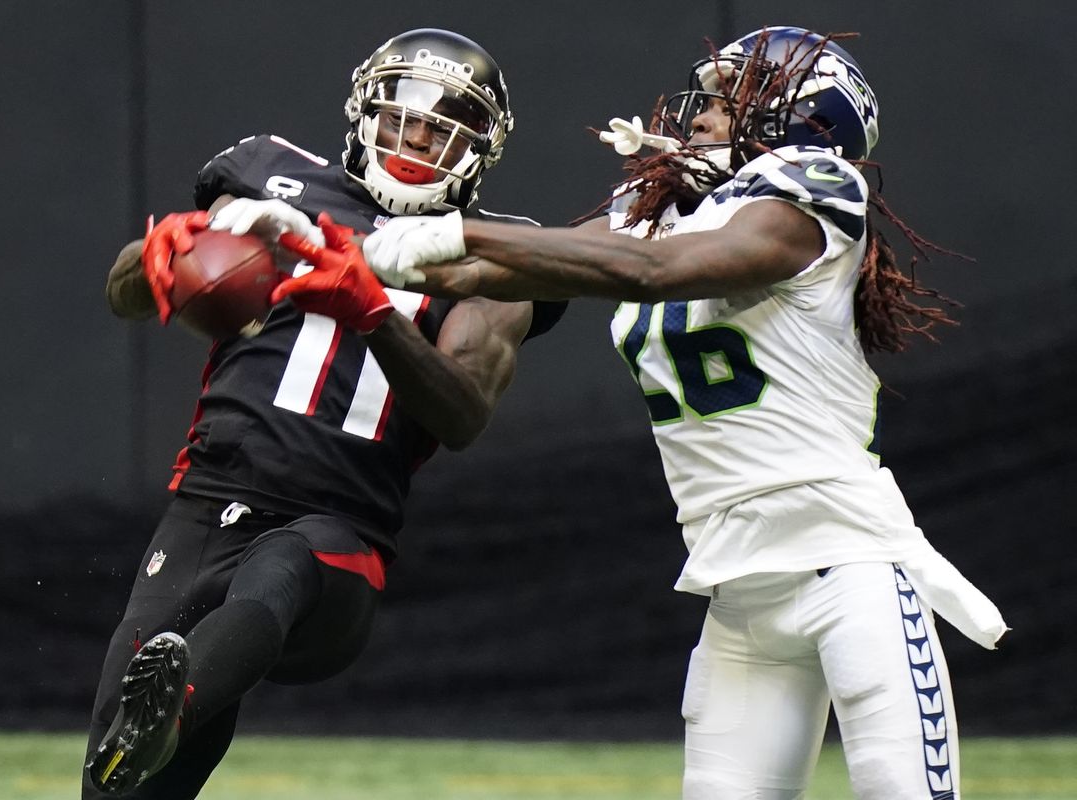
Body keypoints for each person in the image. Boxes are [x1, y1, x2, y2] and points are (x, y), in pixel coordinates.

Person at [328, 25, 1008, 799]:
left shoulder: (812, 190)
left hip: (850, 572)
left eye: (727, 100)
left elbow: (653, 272)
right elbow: (518, 265)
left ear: (798, 119)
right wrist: (333, 248)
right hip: (739, 592)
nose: (700, 112)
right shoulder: (668, 206)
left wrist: (454, 231)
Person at [83, 28, 563, 798]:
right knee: (118, 786)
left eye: (443, 130)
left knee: (282, 565)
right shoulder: (270, 176)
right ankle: (158, 722)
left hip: (340, 535)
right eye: (403, 119)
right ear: (363, 114)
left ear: (480, 152)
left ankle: (176, 708)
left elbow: (463, 414)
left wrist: (374, 312)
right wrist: (159, 253)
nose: (416, 142)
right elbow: (124, 295)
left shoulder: (490, 250)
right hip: (206, 506)